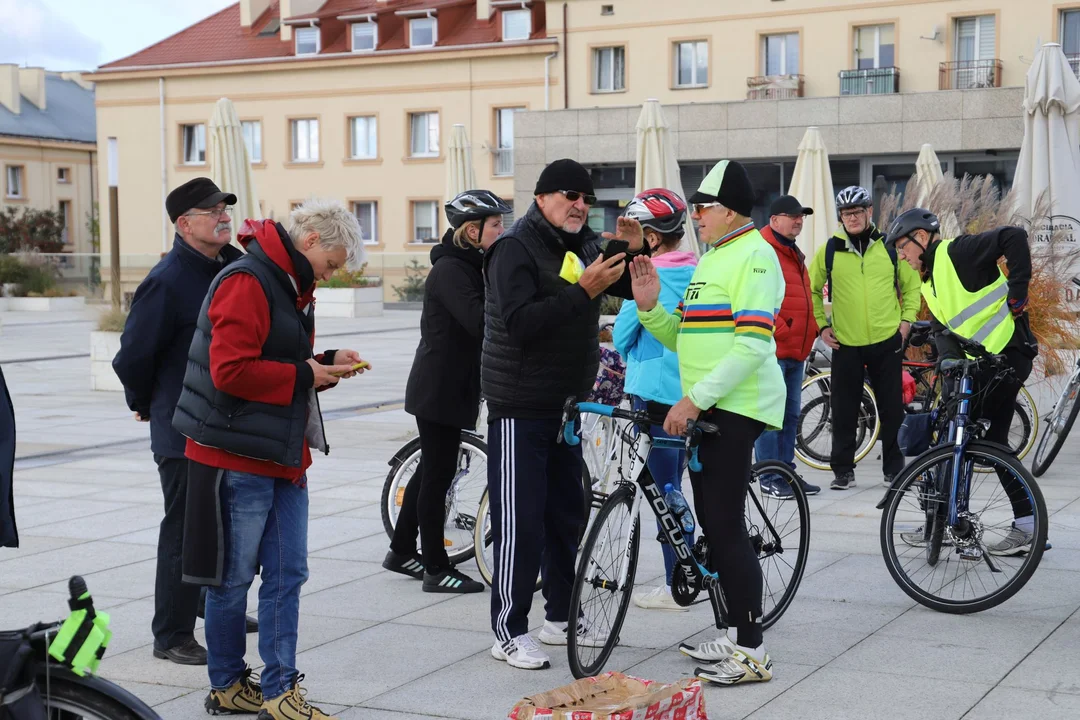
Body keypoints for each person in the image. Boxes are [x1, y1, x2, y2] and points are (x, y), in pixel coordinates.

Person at [172, 199, 367, 720]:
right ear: (308, 243)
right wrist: (306, 374)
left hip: (280, 453)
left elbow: (276, 354)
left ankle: (281, 692)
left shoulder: (289, 282)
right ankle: (228, 684)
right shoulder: (248, 280)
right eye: (332, 262)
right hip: (235, 453)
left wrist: (323, 362)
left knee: (288, 574)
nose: (332, 274)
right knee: (231, 579)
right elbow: (230, 372)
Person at [484, 158, 646, 670]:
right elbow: (521, 324)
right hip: (519, 407)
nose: (580, 205)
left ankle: (558, 617)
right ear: (542, 197)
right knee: (521, 523)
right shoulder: (514, 248)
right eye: (570, 196)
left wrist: (630, 250)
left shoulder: (578, 244)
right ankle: (509, 630)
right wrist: (584, 293)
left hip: (566, 408)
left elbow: (615, 286)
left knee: (564, 517)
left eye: (586, 198)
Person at [630, 159, 785, 686]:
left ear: (731, 210)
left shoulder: (756, 256)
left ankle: (753, 651)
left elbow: (752, 343)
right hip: (712, 408)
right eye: (695, 208)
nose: (695, 216)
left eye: (703, 207)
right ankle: (736, 632)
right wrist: (651, 309)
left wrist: (692, 400)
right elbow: (687, 337)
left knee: (723, 527)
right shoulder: (715, 257)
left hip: (736, 407)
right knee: (717, 529)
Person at [111, 177, 255, 666]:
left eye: (224, 208)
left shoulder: (234, 265)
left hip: (228, 422)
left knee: (220, 523)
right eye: (210, 210)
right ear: (184, 223)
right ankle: (171, 633)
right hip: (181, 427)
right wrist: (144, 399)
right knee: (183, 530)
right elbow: (132, 355)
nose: (222, 216)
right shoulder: (168, 278)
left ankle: (201, 601)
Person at [887, 209, 1040, 556]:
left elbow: (1013, 236)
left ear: (922, 238)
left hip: (1008, 353)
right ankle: (1003, 523)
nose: (902, 255)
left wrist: (1018, 291)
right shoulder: (929, 281)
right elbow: (944, 328)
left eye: (903, 247)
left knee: (967, 433)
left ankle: (951, 520)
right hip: (984, 363)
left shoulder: (959, 252)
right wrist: (946, 359)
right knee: (983, 436)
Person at [384, 190, 510, 593]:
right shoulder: (453, 271)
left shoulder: (470, 264)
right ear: (472, 231)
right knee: (439, 475)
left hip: (451, 384)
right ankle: (436, 568)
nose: (501, 230)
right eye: (495, 225)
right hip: (440, 386)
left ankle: (402, 549)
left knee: (433, 470)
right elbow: (479, 321)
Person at [611, 189, 698, 611]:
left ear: (650, 238)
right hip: (690, 392)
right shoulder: (697, 271)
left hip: (651, 394)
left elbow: (623, 332)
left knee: (664, 493)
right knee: (676, 484)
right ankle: (689, 571)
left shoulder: (647, 274)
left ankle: (676, 583)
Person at [809, 186, 920, 490]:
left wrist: (906, 321)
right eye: (847, 213)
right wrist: (822, 325)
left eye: (858, 211)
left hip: (887, 340)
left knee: (892, 409)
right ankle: (843, 471)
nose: (853, 217)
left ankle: (894, 470)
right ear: (841, 217)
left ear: (870, 212)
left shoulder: (888, 247)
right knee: (843, 410)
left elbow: (912, 286)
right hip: (846, 342)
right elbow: (812, 289)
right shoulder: (830, 249)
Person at [755, 195, 821, 498]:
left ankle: (785, 471)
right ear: (774, 220)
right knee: (770, 415)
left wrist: (812, 329)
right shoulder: (762, 250)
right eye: (793, 215)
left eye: (802, 216)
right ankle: (769, 475)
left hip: (797, 350)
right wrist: (782, 330)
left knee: (790, 415)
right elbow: (757, 299)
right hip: (775, 350)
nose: (799, 220)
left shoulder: (793, 252)